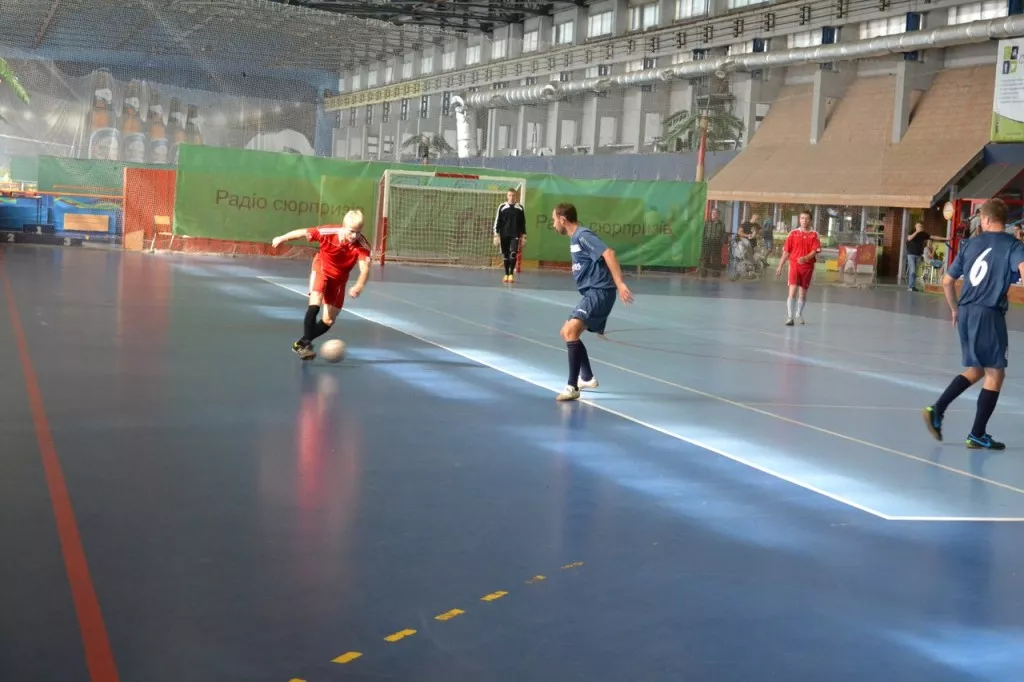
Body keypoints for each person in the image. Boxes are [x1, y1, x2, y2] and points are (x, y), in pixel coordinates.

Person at [923, 198, 1024, 450]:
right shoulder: (1013, 245)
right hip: (988, 313)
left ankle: (937, 409)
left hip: (966, 311)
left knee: (977, 369)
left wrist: (955, 309)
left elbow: (947, 281)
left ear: (987, 219)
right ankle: (977, 433)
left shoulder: (970, 244)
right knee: (995, 373)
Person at [551, 202, 633, 402]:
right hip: (591, 293)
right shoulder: (575, 238)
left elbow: (609, 253)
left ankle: (572, 387)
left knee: (571, 331)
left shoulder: (583, 235)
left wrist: (620, 283)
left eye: (554, 220)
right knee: (566, 332)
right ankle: (586, 377)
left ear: (563, 219)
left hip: (600, 291)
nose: (553, 224)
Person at [271, 209, 371, 360]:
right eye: (351, 231)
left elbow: (365, 269)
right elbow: (303, 232)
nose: (354, 236)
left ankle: (300, 343)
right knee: (315, 302)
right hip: (322, 268)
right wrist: (281, 238)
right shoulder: (328, 232)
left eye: (358, 232)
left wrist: (359, 286)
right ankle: (305, 347)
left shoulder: (362, 245)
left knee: (329, 320)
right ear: (344, 226)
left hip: (339, 280)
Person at [775, 210, 822, 326]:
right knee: (792, 291)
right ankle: (790, 317)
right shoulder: (793, 233)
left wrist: (806, 258)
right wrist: (780, 266)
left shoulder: (814, 235)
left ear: (810, 220)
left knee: (802, 294)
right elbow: (786, 251)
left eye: (806, 218)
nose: (804, 220)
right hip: (794, 266)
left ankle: (798, 313)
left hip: (807, 267)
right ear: (799, 220)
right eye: (802, 218)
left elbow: (815, 251)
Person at [492, 188, 526, 283]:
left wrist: (524, 236)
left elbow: (522, 223)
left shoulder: (520, 208)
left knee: (513, 253)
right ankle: (506, 274)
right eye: (509, 195)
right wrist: (496, 235)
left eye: (513, 195)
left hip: (515, 234)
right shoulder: (502, 206)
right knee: (506, 255)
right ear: (507, 196)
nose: (511, 197)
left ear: (516, 196)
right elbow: (497, 221)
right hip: (504, 234)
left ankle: (511, 274)